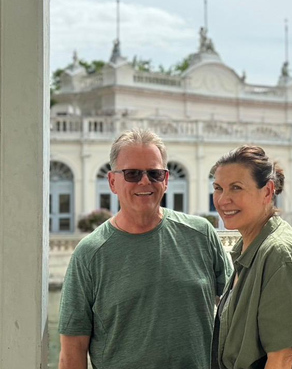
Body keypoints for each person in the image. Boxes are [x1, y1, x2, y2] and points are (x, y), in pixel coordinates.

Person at [58, 128, 233, 369]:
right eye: (132, 174)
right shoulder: (90, 254)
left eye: (154, 173)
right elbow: (72, 352)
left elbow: (238, 309)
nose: (144, 181)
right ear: (112, 182)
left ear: (166, 180)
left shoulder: (201, 234)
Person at [211, 145, 292, 369]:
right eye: (218, 188)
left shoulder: (281, 254)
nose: (223, 199)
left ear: (267, 191)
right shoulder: (248, 248)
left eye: (236, 188)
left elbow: (282, 359)